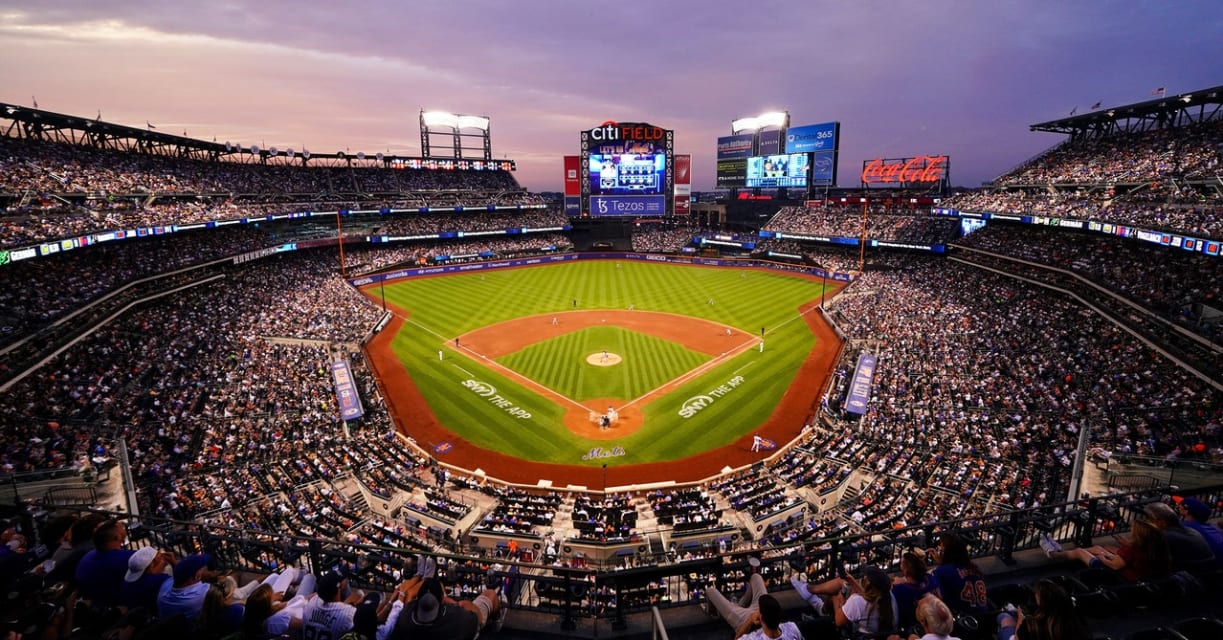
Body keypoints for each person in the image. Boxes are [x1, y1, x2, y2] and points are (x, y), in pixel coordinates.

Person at [1040, 518, 1169, 583]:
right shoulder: (1155, 546)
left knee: (1081, 551)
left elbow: (1115, 566)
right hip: (1136, 573)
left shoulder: (1132, 549)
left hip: (1120, 576)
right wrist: (1104, 552)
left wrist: (1102, 557)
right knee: (1098, 548)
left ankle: (1054, 554)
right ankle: (1062, 552)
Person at [996, 580, 1089, 640]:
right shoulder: (1074, 620)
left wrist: (1020, 620)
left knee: (1004, 617)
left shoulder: (1032, 625)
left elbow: (1017, 638)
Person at [75, 519, 134, 608]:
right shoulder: (127, 558)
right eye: (122, 527)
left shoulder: (87, 557)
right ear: (117, 537)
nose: (124, 528)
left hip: (94, 604)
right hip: (116, 607)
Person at [1144, 501, 1216, 572]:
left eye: (1149, 519)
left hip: (1195, 578)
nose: (1146, 523)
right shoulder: (1189, 530)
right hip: (1207, 573)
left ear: (1162, 522)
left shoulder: (1166, 536)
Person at [928, 533, 989, 616]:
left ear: (947, 552)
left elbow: (937, 595)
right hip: (985, 615)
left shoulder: (942, 571)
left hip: (963, 618)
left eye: (942, 551)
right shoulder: (974, 568)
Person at [830, 566, 898, 637]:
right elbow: (868, 599)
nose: (863, 578)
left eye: (865, 577)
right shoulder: (889, 597)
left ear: (869, 585)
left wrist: (837, 597)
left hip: (858, 635)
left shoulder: (857, 601)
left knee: (834, 596)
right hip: (880, 636)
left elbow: (839, 621)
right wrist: (852, 581)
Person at [705, 557, 768, 631]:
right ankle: (740, 605)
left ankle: (713, 613)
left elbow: (738, 635)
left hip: (744, 619)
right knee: (756, 577)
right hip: (763, 611)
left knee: (710, 591)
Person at [302, 570, 364, 640]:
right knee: (362, 595)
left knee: (358, 594)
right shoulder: (349, 613)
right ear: (340, 586)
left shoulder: (311, 603)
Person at [157, 552, 215, 621]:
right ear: (196, 576)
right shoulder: (203, 594)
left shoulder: (164, 589)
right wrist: (214, 575)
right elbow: (227, 583)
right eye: (202, 569)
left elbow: (179, 576)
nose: (204, 570)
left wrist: (175, 564)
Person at [892, 551, 941, 629]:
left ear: (905, 570)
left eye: (901, 563)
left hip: (913, 627)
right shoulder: (930, 578)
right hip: (937, 621)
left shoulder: (900, 590)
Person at [119, 546, 175, 612]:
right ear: (151, 565)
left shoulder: (126, 584)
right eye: (160, 557)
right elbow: (183, 583)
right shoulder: (157, 581)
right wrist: (174, 563)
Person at [1178, 497, 1223, 567]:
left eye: (1181, 505)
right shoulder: (1213, 527)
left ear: (1186, 511)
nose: (1179, 506)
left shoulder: (1185, 527)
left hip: (1214, 569)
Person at [734, 594, 802, 639]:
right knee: (756, 577)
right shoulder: (792, 627)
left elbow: (737, 638)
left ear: (761, 618)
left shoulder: (753, 638)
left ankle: (737, 603)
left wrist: (750, 619)